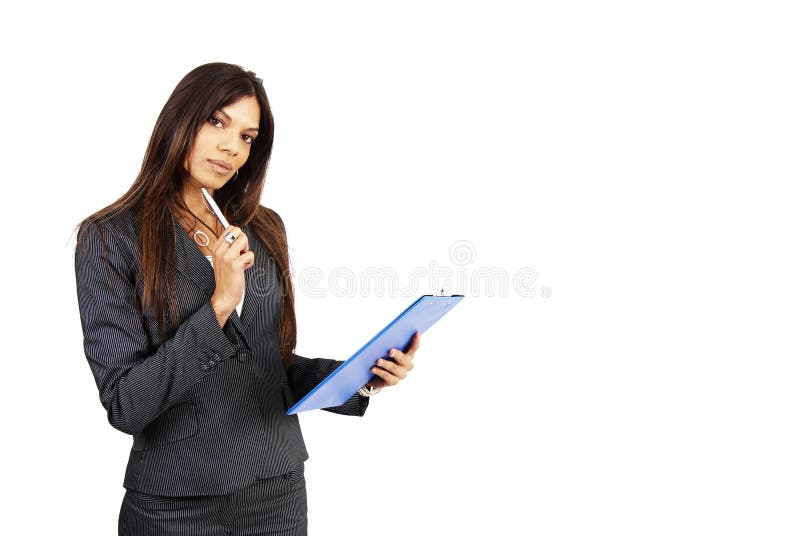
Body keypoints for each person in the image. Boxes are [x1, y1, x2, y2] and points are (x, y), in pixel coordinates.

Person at [73, 62, 421, 535]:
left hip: (278, 496)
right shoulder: (112, 237)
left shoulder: (262, 226)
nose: (231, 147)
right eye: (217, 121)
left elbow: (269, 363)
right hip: (176, 506)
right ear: (179, 119)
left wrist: (360, 377)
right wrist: (218, 305)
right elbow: (125, 404)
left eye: (248, 137)